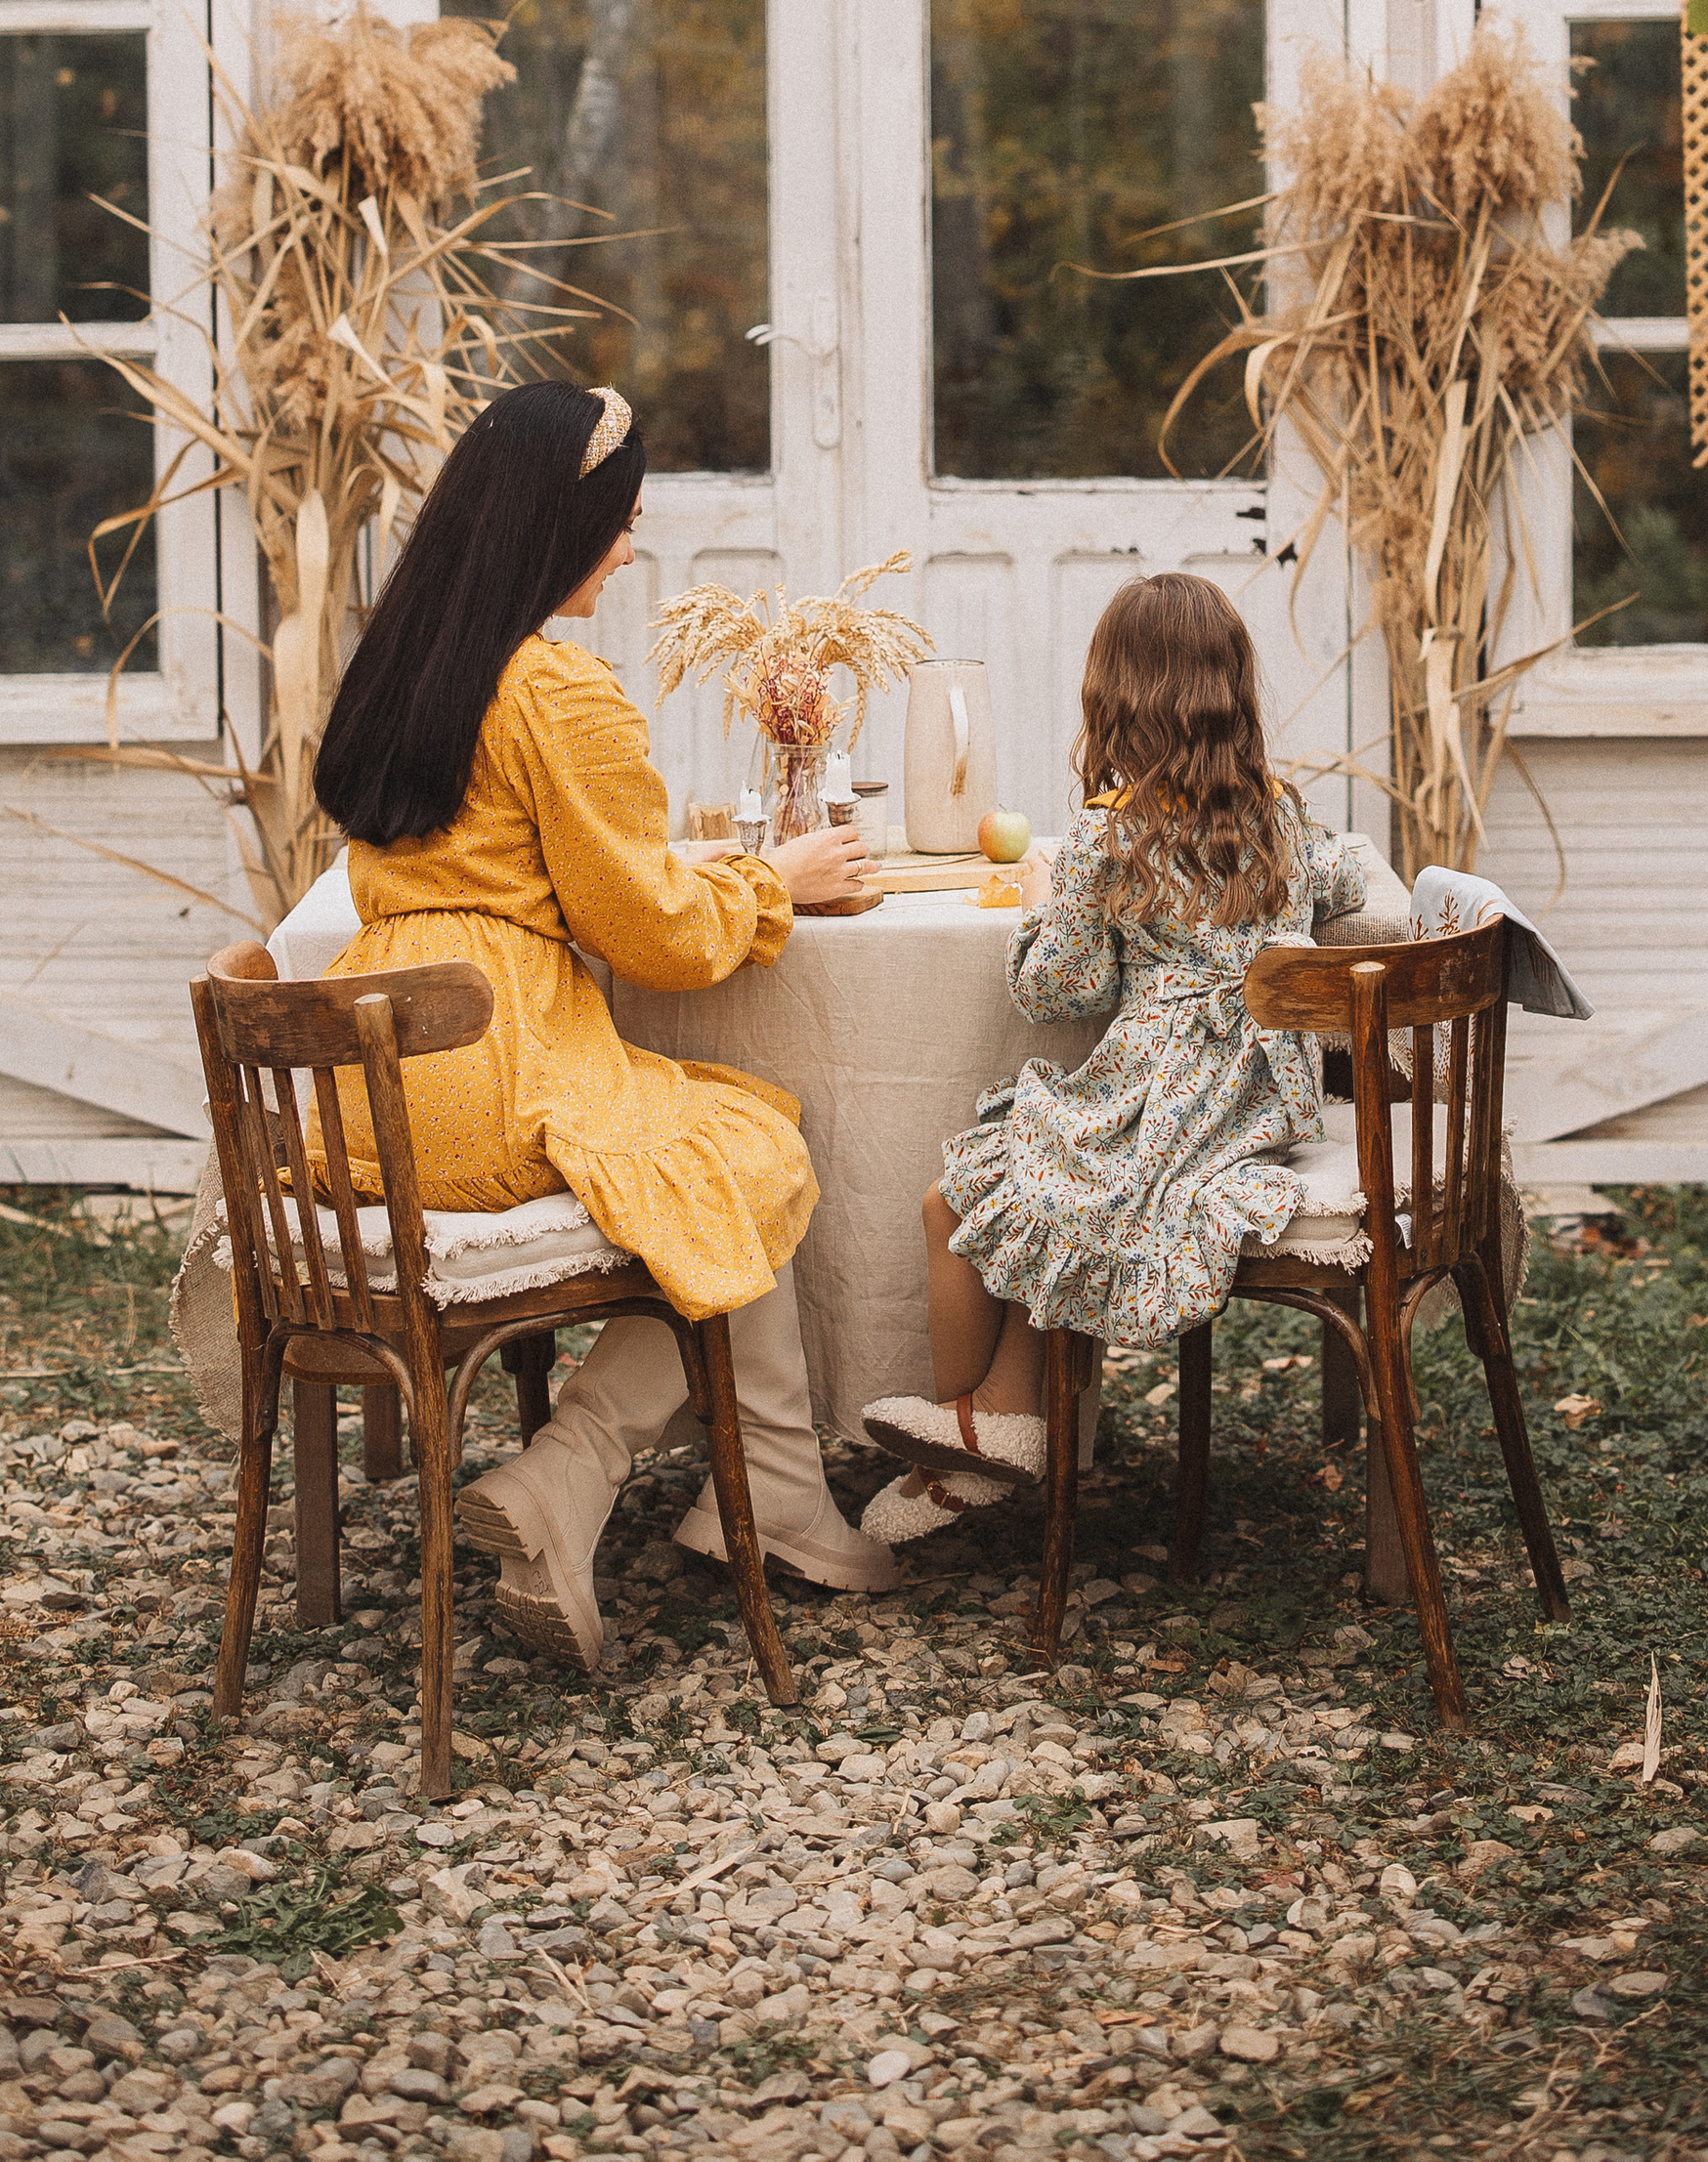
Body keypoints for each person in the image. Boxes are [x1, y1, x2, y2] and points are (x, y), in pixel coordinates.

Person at [310, 374, 898, 1667]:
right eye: (619, 522)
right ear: (555, 528)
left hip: (367, 1073)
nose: (631, 549)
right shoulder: (555, 693)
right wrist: (771, 882)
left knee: (715, 1150)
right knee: (753, 1152)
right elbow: (655, 936)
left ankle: (776, 1498)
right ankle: (575, 1471)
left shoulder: (404, 667)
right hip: (485, 1059)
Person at [858, 570, 1363, 1543]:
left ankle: (972, 1447)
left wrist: (1049, 888)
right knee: (1020, 1194)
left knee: (954, 1198)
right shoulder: (1282, 813)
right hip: (1261, 1098)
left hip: (1164, 1095)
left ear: (1113, 697)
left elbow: (1059, 990)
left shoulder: (1108, 833)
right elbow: (1326, 883)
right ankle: (985, 1435)